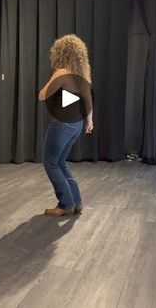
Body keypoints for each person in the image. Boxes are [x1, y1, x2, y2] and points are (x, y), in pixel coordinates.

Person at [39, 34, 93, 216]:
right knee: (60, 162)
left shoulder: (62, 73)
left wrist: (55, 76)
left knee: (50, 163)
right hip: (76, 125)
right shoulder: (80, 76)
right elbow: (88, 99)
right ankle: (76, 201)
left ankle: (65, 204)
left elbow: (42, 95)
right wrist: (90, 121)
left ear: (61, 53)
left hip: (62, 125)